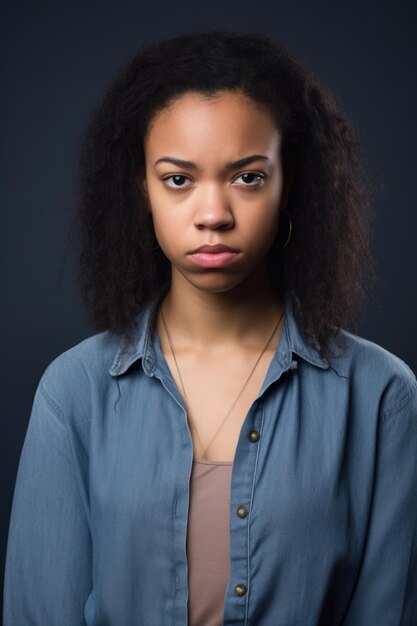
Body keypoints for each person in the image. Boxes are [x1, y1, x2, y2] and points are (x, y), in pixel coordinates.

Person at [3, 30, 417, 626]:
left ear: (289, 185)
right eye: (178, 179)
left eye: (248, 177)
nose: (213, 214)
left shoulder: (381, 396)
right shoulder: (74, 392)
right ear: (141, 189)